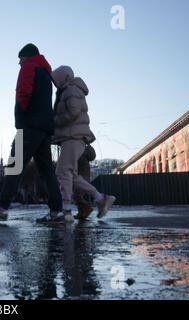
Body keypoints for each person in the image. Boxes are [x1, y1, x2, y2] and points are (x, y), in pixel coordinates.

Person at [0, 43, 63, 222]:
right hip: (44, 129)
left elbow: (23, 92)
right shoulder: (46, 74)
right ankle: (57, 211)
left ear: (27, 56)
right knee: (47, 171)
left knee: (14, 165)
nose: (19, 63)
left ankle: (2, 207)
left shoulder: (29, 66)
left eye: (20, 59)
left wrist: (22, 115)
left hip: (30, 126)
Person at [52, 66, 116, 221]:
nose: (55, 83)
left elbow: (73, 112)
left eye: (57, 79)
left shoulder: (71, 90)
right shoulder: (70, 89)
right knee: (71, 175)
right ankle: (102, 199)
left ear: (65, 77)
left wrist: (55, 122)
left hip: (73, 136)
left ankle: (66, 209)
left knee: (63, 172)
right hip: (73, 136)